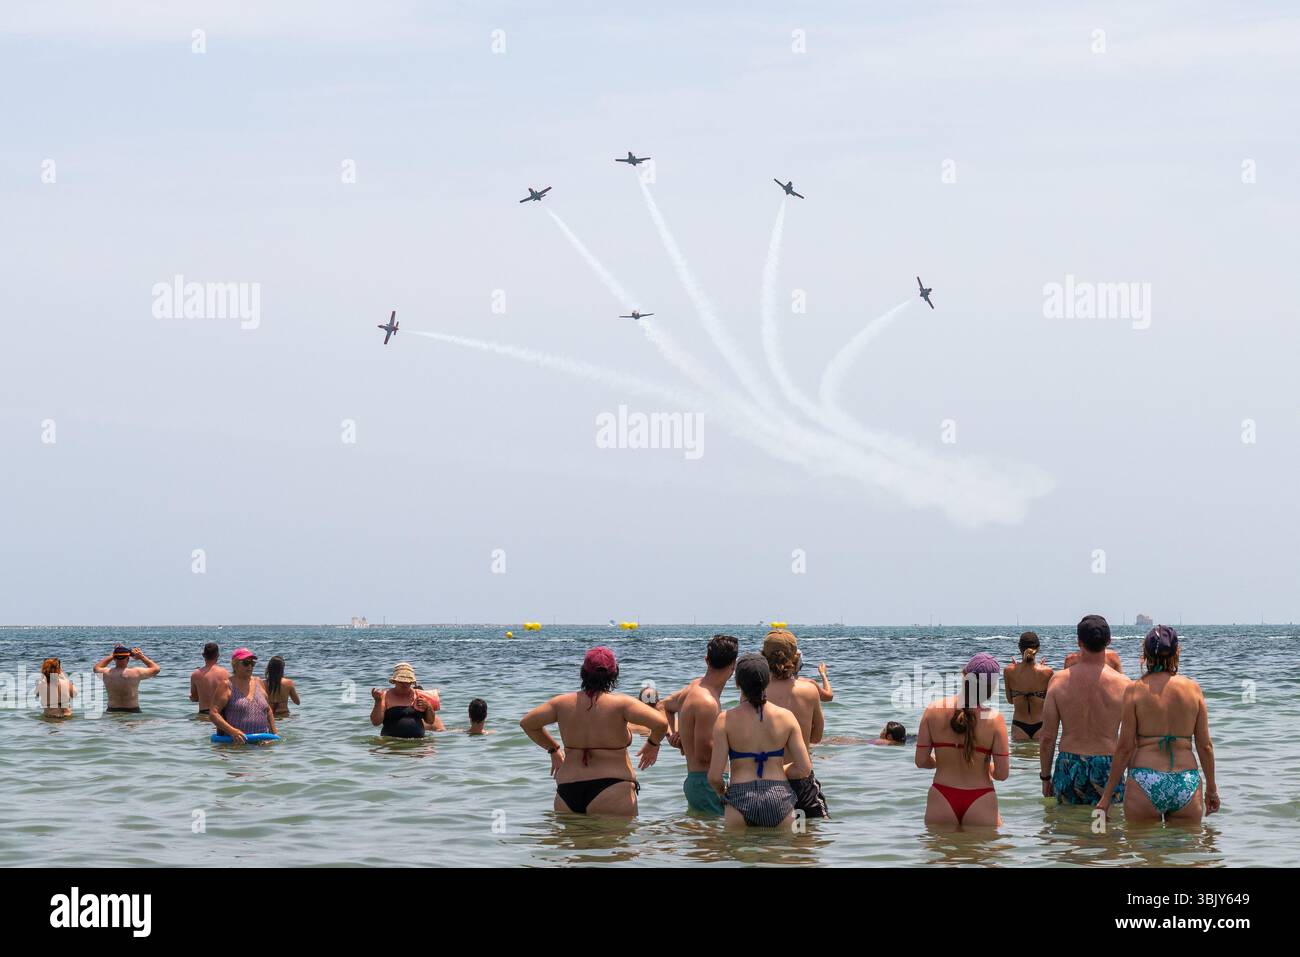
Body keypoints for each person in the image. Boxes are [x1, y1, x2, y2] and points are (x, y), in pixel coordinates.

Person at [519, 647, 667, 816]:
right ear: (614, 673)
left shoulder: (561, 703)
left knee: (576, 841)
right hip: (613, 789)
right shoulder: (622, 704)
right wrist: (652, 744)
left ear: (583, 672)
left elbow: (527, 723)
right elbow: (661, 724)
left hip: (568, 790)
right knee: (617, 841)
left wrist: (553, 749)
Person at [1097, 627, 1220, 823]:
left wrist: (1106, 797)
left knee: (1143, 851)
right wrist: (1212, 788)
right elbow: (1205, 746)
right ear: (1177, 652)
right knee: (1186, 853)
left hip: (1145, 779)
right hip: (1186, 780)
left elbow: (1124, 748)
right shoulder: (1193, 689)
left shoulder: (1134, 691)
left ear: (1144, 655)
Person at [708, 654, 811, 829]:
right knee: (788, 854)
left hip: (739, 796)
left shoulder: (725, 719)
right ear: (768, 680)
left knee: (737, 854)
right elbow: (804, 768)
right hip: (780, 797)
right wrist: (780, 769)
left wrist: (724, 793)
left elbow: (714, 777)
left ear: (738, 684)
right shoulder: (786, 717)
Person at [1040, 615, 1131, 805]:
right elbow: (1131, 740)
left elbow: (1048, 737)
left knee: (1068, 827)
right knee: (1106, 827)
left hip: (1069, 764)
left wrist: (1045, 777)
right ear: (1109, 641)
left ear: (1079, 641)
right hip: (1108, 765)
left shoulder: (1058, 681)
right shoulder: (1124, 685)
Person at [915, 653, 1010, 827]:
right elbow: (1002, 774)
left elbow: (921, 761)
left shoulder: (932, 710)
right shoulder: (995, 720)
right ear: (992, 687)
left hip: (941, 797)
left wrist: (943, 760)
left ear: (964, 676)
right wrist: (988, 767)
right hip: (981, 800)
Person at [761, 630, 829, 819]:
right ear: (795, 658)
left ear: (763, 657)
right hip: (801, 778)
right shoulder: (809, 690)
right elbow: (816, 738)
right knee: (808, 839)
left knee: (768, 843)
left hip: (766, 779)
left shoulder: (754, 691)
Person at [672, 635, 739, 815]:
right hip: (707, 785)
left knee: (706, 838)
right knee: (716, 841)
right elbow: (704, 754)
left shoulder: (695, 687)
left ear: (706, 660)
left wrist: (675, 735)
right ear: (734, 665)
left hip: (699, 782)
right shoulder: (707, 702)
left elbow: (664, 705)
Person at [210, 648, 276, 743]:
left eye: (252, 663)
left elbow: (268, 710)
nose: (250, 666)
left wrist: (274, 734)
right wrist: (232, 731)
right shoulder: (226, 685)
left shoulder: (259, 682)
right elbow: (213, 713)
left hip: (262, 743)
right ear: (235, 665)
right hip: (237, 744)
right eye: (246, 663)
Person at [1004, 631, 1054, 740]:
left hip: (1019, 725)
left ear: (1019, 648)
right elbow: (1049, 703)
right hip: (1041, 724)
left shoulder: (1009, 671)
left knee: (1020, 757)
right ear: (1038, 648)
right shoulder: (1047, 672)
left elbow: (1010, 700)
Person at [370, 663, 439, 738]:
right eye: (401, 682)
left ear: (412, 682)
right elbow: (375, 722)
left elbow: (430, 721)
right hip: (391, 743)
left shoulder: (420, 695)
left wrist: (428, 706)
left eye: (408, 682)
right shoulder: (384, 696)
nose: (405, 684)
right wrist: (377, 701)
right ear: (394, 681)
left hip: (418, 744)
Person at [93, 645, 160, 713]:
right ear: (128, 658)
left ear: (114, 659)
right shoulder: (136, 672)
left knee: (112, 723)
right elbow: (156, 669)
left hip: (112, 710)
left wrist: (113, 655)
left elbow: (96, 668)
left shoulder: (106, 673)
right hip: (133, 710)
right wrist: (142, 657)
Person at [189, 642, 229, 716]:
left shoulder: (195, 674)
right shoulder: (225, 673)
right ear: (218, 655)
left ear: (203, 655)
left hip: (203, 713)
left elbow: (194, 698)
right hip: (220, 714)